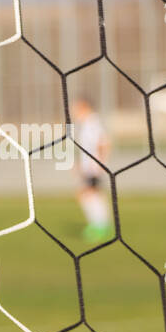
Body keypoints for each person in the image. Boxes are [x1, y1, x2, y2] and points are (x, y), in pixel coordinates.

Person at [71, 97, 113, 243]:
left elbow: (104, 143)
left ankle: (98, 226)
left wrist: (99, 164)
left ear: (84, 107)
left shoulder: (92, 123)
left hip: (93, 169)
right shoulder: (86, 124)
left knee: (86, 195)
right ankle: (102, 224)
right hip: (89, 168)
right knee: (93, 195)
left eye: (76, 108)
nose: (74, 111)